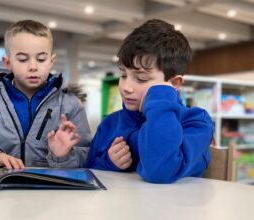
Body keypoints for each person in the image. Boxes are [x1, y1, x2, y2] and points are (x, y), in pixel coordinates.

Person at [0, 20, 91, 169]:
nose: (33, 67)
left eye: (41, 59)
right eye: (23, 59)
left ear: (52, 61)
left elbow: (87, 154)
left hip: (50, 191)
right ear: (7, 62)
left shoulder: (71, 104)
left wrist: (62, 156)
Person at [86, 19, 214, 183]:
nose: (126, 87)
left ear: (174, 84)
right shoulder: (111, 123)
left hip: (176, 207)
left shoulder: (196, 122)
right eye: (123, 75)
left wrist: (161, 96)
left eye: (141, 78)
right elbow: (89, 168)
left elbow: (160, 171)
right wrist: (108, 162)